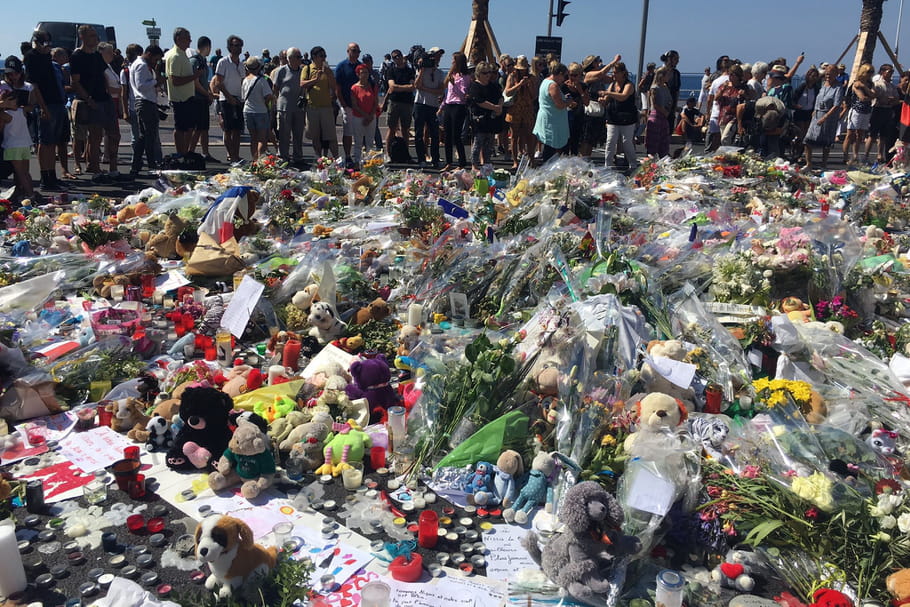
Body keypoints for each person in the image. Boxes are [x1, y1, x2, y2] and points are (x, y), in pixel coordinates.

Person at [24, 30, 67, 190]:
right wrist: (42, 107)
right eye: (44, 43)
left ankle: (52, 175)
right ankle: (45, 178)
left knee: (52, 142)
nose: (47, 47)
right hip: (45, 103)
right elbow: (34, 85)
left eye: (48, 43)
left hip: (56, 101)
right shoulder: (31, 57)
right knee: (44, 141)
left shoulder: (47, 56)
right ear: (36, 42)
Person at [69, 25, 113, 178]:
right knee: (80, 135)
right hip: (85, 100)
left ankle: (93, 165)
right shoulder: (77, 56)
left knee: (96, 136)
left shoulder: (96, 56)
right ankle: (82, 165)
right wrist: (88, 99)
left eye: (96, 36)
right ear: (83, 37)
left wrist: (107, 93)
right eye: (92, 36)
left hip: (101, 99)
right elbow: (75, 81)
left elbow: (103, 75)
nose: (96, 39)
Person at [2, 56, 37, 202]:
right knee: (25, 172)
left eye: (15, 73)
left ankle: (29, 195)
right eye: (10, 74)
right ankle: (28, 194)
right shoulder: (20, 112)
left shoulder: (8, 115)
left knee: (20, 173)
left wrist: (5, 105)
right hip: (24, 143)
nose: (13, 76)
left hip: (12, 145)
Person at [129, 45, 165, 174]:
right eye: (155, 59)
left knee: (144, 136)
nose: (156, 62)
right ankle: (150, 163)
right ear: (149, 54)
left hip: (144, 102)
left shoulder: (138, 64)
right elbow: (141, 85)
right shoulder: (142, 65)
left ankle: (137, 163)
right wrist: (156, 81)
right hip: (145, 102)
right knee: (149, 136)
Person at [164, 28, 200, 156]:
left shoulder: (182, 53)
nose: (190, 41)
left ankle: (185, 152)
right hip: (180, 98)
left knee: (189, 127)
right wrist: (195, 76)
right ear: (179, 39)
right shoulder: (175, 55)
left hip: (187, 97)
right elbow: (175, 80)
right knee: (180, 128)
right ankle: (181, 154)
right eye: (187, 38)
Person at [804, 64, 845, 170]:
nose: (828, 76)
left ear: (836, 74)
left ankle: (824, 164)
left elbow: (836, 105)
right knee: (808, 140)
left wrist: (825, 117)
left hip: (828, 116)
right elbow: (818, 99)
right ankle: (808, 163)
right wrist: (814, 111)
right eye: (826, 74)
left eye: (830, 74)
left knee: (826, 142)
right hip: (817, 114)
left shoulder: (838, 87)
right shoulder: (823, 84)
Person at [212, 35, 246, 163]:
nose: (238, 48)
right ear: (229, 47)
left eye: (240, 45)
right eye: (235, 45)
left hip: (239, 99)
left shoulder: (241, 65)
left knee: (237, 130)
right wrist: (229, 97)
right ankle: (231, 156)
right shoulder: (223, 62)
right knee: (228, 129)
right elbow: (218, 83)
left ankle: (236, 156)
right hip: (226, 100)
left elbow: (243, 82)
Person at [300, 46, 337, 158]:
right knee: (315, 136)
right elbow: (302, 84)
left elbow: (334, 87)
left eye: (325, 56)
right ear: (314, 57)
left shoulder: (327, 70)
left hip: (326, 107)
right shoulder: (307, 69)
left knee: (331, 136)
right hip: (312, 107)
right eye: (321, 56)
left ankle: (336, 159)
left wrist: (329, 74)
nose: (324, 58)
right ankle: (319, 158)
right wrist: (315, 80)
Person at [271, 47, 306, 166]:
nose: (300, 59)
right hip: (285, 107)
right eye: (298, 57)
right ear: (290, 58)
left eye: (300, 57)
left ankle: (298, 157)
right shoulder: (281, 71)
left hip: (299, 107)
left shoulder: (302, 71)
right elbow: (275, 88)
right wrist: (278, 101)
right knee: (284, 134)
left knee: (298, 134)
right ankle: (283, 156)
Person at [532, 63, 572, 164]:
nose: (564, 79)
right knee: (551, 148)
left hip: (549, 118)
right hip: (552, 121)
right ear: (560, 74)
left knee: (549, 147)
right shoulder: (553, 85)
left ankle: (547, 168)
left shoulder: (545, 81)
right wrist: (568, 102)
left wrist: (564, 98)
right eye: (564, 76)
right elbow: (559, 105)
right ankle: (547, 169)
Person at [468, 61, 505, 170]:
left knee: (489, 144)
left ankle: (487, 164)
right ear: (478, 73)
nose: (488, 75)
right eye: (485, 73)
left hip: (491, 119)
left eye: (489, 72)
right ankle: (474, 165)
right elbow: (479, 101)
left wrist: (499, 107)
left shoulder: (493, 86)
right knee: (478, 143)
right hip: (480, 119)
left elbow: (501, 97)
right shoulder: (475, 86)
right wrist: (494, 107)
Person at [602, 61, 638, 171]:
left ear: (623, 73)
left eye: (616, 72)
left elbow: (623, 96)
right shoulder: (612, 85)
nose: (613, 75)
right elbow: (606, 100)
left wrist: (608, 93)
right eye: (613, 72)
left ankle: (633, 164)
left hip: (627, 119)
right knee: (610, 141)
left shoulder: (629, 85)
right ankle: (608, 166)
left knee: (627, 142)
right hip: (613, 118)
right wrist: (603, 100)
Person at [438, 51, 471, 170]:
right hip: (449, 105)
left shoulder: (465, 77)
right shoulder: (452, 75)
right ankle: (449, 162)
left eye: (453, 60)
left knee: (456, 136)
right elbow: (447, 92)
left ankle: (462, 163)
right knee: (447, 135)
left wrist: (455, 84)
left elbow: (463, 94)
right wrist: (441, 107)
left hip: (459, 106)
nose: (451, 62)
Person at [503, 55, 537, 170]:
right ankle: (515, 161)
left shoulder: (531, 78)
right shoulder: (512, 76)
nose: (522, 71)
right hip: (515, 110)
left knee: (530, 136)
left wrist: (528, 86)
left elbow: (534, 96)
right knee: (514, 136)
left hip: (527, 110)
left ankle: (531, 159)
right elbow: (507, 92)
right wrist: (519, 85)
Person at [188, 35, 217, 161]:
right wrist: (207, 94)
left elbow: (204, 81)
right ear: (207, 47)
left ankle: (206, 153)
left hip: (203, 99)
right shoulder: (195, 61)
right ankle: (190, 152)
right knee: (197, 128)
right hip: (197, 99)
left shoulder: (203, 61)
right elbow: (195, 82)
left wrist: (209, 92)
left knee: (204, 128)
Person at [413, 53, 444, 169]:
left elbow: (440, 90)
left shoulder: (439, 73)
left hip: (432, 105)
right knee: (418, 133)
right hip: (420, 104)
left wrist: (425, 89)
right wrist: (422, 69)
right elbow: (417, 85)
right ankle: (421, 159)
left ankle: (435, 159)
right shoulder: (421, 71)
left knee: (435, 134)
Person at [385, 49, 416, 161]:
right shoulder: (391, 71)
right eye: (394, 57)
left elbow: (412, 87)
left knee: (405, 129)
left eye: (398, 56)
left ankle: (406, 154)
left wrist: (399, 87)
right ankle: (388, 154)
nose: (397, 58)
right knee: (392, 128)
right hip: (394, 102)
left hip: (407, 103)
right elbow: (392, 86)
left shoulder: (410, 71)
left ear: (402, 56)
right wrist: (405, 87)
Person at [335, 43, 362, 167]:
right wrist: (343, 104)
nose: (356, 53)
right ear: (348, 51)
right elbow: (338, 87)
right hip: (347, 104)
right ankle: (347, 156)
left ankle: (359, 156)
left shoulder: (361, 67)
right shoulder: (341, 66)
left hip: (359, 106)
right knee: (348, 132)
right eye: (354, 50)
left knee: (359, 132)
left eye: (358, 51)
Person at [866, 63, 899, 164]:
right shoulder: (877, 84)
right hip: (878, 109)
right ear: (882, 72)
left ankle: (880, 154)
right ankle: (866, 155)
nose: (891, 73)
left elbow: (897, 98)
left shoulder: (892, 86)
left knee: (883, 135)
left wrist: (892, 100)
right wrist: (883, 99)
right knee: (873, 134)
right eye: (889, 71)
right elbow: (873, 96)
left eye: (892, 71)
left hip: (887, 110)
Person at [241, 56, 272, 162]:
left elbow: (243, 97)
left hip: (247, 111)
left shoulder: (245, 80)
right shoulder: (262, 80)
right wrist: (265, 104)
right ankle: (260, 160)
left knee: (253, 138)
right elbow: (268, 96)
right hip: (260, 111)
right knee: (262, 139)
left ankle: (254, 160)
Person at [843, 62, 875, 166]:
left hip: (866, 111)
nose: (870, 74)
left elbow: (874, 95)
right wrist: (869, 95)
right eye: (868, 72)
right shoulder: (856, 83)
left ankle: (855, 155)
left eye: (872, 72)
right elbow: (862, 98)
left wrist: (865, 87)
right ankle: (845, 156)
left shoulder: (869, 84)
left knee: (860, 134)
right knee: (850, 134)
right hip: (856, 110)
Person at [349, 64, 379, 170]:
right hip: (358, 117)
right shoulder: (354, 88)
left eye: (366, 72)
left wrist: (370, 116)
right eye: (362, 73)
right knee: (358, 141)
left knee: (370, 142)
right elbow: (354, 105)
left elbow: (376, 102)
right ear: (358, 74)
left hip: (371, 117)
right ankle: (357, 162)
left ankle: (369, 163)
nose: (365, 75)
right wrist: (365, 115)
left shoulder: (373, 86)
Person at [98, 43, 122, 176]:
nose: (112, 55)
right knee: (110, 133)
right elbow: (106, 87)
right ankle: (103, 162)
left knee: (111, 133)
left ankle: (108, 156)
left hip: (114, 100)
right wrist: (120, 90)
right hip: (108, 100)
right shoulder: (101, 68)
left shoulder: (109, 66)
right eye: (109, 52)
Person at [792, 66, 821, 161]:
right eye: (812, 76)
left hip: (809, 112)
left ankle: (801, 154)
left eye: (816, 76)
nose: (814, 78)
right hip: (800, 112)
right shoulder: (802, 86)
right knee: (800, 134)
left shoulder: (816, 88)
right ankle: (796, 153)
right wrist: (796, 106)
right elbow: (794, 98)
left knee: (806, 135)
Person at [704, 55, 731, 152]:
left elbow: (710, 99)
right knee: (719, 141)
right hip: (721, 113)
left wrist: (708, 112)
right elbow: (710, 98)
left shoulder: (716, 80)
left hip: (720, 113)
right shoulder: (718, 79)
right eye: (725, 60)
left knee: (715, 140)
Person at [562, 62, 589, 156]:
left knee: (575, 144)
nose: (572, 77)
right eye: (570, 75)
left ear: (579, 75)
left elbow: (587, 103)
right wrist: (568, 103)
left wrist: (580, 90)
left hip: (578, 118)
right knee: (564, 145)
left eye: (575, 75)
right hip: (565, 118)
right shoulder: (563, 86)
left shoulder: (583, 86)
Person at [646, 66, 672, 157]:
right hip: (656, 116)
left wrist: (668, 109)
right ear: (662, 76)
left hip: (664, 116)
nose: (669, 77)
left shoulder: (665, 87)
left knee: (664, 141)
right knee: (654, 140)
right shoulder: (654, 88)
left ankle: (662, 157)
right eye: (667, 75)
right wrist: (664, 111)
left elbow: (669, 100)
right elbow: (654, 104)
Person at [362, 54, 383, 150]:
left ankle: (379, 147)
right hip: (362, 104)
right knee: (362, 126)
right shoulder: (360, 73)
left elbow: (376, 86)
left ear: (372, 62)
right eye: (364, 61)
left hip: (373, 103)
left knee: (374, 127)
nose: (366, 63)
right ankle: (364, 147)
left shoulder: (375, 74)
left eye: (367, 61)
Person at [660, 51, 681, 130]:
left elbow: (677, 90)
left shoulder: (676, 73)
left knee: (669, 129)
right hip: (660, 106)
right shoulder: (659, 72)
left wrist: (675, 106)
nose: (678, 61)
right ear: (669, 59)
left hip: (671, 107)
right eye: (676, 59)